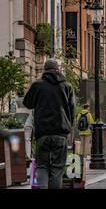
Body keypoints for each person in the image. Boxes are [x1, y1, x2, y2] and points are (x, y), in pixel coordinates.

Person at [23, 59, 75, 189]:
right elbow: (72, 109)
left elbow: (27, 103)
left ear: (44, 70)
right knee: (58, 168)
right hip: (60, 132)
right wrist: (69, 127)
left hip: (42, 133)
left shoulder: (37, 85)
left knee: (42, 165)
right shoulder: (67, 86)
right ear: (58, 69)